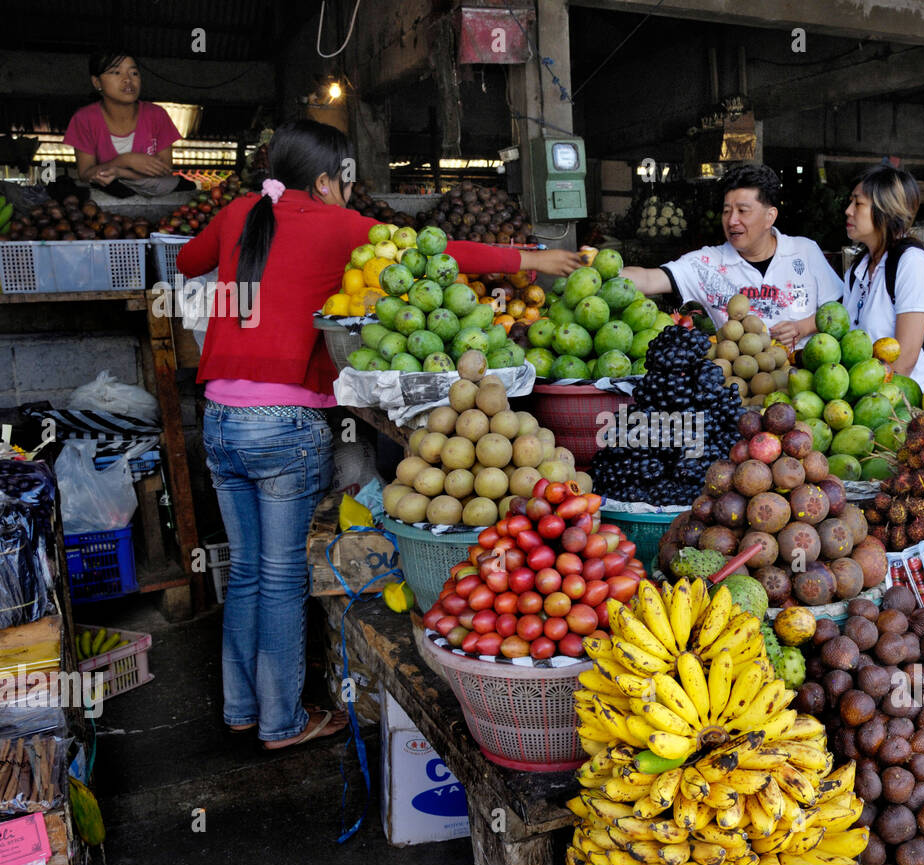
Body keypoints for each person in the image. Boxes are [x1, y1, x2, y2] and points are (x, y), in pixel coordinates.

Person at [177, 120, 581, 750]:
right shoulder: (337, 225)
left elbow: (186, 259)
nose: (349, 190)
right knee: (282, 578)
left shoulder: (239, 214)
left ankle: (240, 707)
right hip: (283, 423)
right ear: (324, 180)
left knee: (250, 572)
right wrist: (530, 259)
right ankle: (280, 723)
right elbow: (433, 251)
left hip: (221, 420)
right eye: (345, 178)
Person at [621, 164, 841, 350]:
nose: (732, 220)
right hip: (738, 389)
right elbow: (649, 279)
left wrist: (802, 327)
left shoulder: (804, 251)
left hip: (805, 384)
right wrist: (597, 268)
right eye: (727, 211)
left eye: (743, 211)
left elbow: (840, 310)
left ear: (769, 217)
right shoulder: (707, 264)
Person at [842, 164, 924, 386]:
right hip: (868, 402)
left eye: (858, 203)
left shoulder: (912, 264)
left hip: (906, 405)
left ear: (885, 210)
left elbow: (904, 360)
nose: (849, 210)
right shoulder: (857, 270)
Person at [63, 52, 194, 199]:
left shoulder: (156, 115)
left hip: (154, 193)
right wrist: (126, 160)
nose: (127, 80)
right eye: (116, 72)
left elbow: (164, 170)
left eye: (134, 73)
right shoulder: (84, 119)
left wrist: (121, 172)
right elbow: (86, 174)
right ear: (97, 83)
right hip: (106, 200)